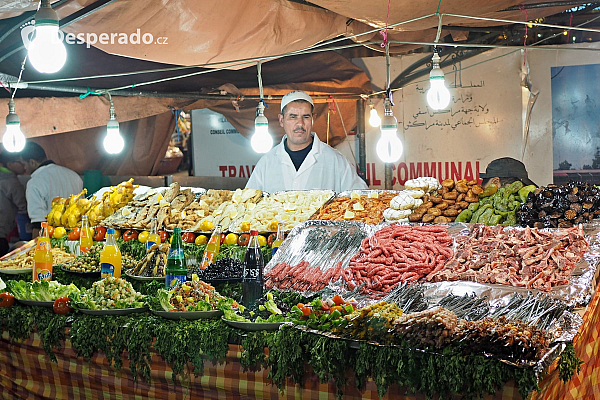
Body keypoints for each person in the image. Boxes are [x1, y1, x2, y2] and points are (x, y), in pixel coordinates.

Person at [246, 91, 368, 192]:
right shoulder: (266, 163)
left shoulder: (336, 161)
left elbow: (360, 200)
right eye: (293, 117)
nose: (300, 123)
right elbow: (249, 204)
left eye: (306, 117)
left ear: (313, 119)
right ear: (281, 120)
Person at [18, 142, 83, 238]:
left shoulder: (35, 182)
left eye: (24, 164)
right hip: (78, 237)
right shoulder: (74, 175)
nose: (24, 168)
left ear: (32, 162)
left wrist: (35, 250)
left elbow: (38, 223)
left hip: (53, 240)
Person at [0, 151, 28, 256]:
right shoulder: (11, 181)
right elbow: (24, 206)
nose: (24, 165)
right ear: (9, 164)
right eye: (19, 162)